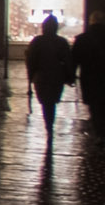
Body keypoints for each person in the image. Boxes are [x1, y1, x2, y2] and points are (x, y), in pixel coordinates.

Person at [70, 10, 105, 139]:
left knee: (94, 106)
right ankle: (101, 130)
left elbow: (74, 60)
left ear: (91, 22)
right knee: (104, 105)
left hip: (89, 78)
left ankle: (99, 131)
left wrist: (70, 76)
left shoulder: (82, 39)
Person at [24, 14, 74, 147]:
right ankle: (50, 125)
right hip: (57, 77)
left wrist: (31, 76)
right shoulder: (61, 42)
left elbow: (31, 61)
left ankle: (49, 126)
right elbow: (68, 61)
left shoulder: (37, 41)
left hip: (41, 77)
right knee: (51, 102)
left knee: (46, 103)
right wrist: (70, 77)